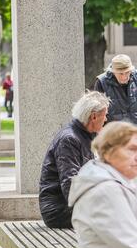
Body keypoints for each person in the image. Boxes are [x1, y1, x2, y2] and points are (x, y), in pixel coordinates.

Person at [39, 91, 109, 229]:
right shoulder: (69, 139)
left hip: (70, 206)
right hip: (58, 210)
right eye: (105, 115)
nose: (106, 119)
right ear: (94, 116)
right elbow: (70, 186)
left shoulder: (85, 136)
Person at [94, 54, 137, 132]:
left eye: (127, 72)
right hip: (114, 135)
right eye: (120, 73)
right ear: (113, 72)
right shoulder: (101, 82)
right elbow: (97, 112)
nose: (124, 77)